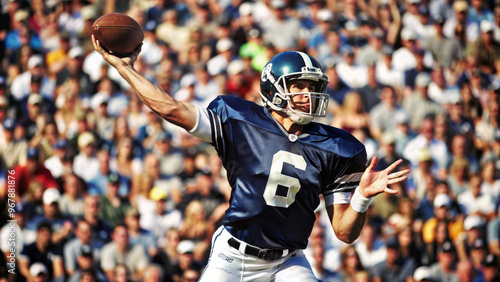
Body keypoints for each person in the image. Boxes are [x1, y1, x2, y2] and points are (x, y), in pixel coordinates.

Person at [93, 37, 410, 281]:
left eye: (313, 87)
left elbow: (344, 232)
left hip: (287, 261)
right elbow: (171, 108)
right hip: (233, 256)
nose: (308, 95)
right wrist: (125, 68)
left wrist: (363, 197)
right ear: (274, 90)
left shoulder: (337, 147)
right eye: (299, 86)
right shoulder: (241, 120)